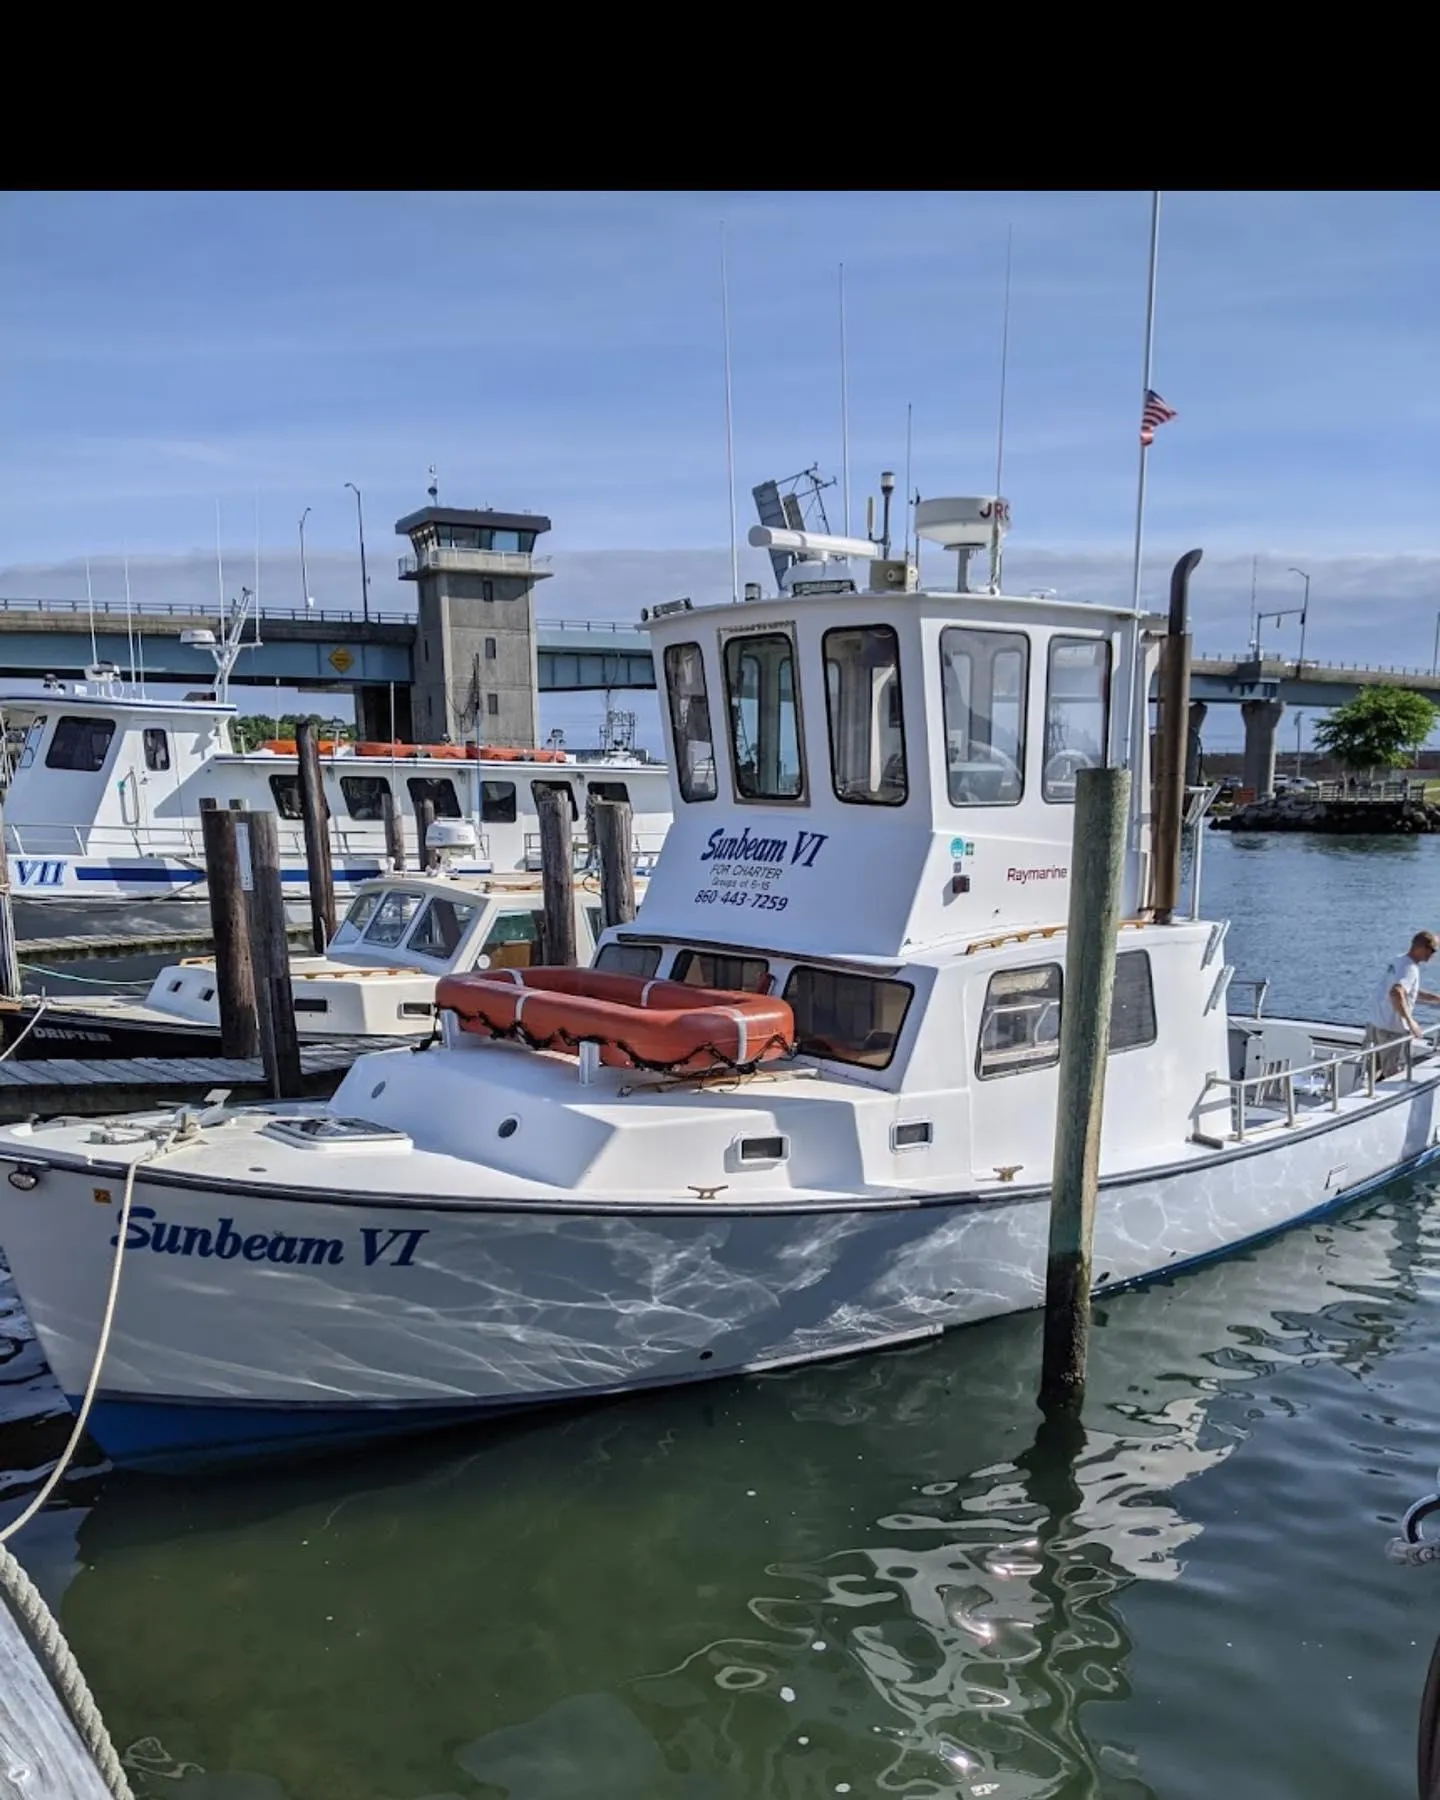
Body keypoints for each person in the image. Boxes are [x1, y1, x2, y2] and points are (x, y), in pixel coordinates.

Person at [1365, 931, 1440, 1077]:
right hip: (1392, 1031)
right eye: (1432, 950)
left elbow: (1405, 991)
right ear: (1421, 948)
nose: (1433, 955)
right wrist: (1410, 1021)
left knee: (1368, 1074)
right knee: (1393, 1075)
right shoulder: (1410, 968)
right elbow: (1396, 992)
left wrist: (1435, 998)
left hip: (1376, 1025)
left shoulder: (1399, 961)